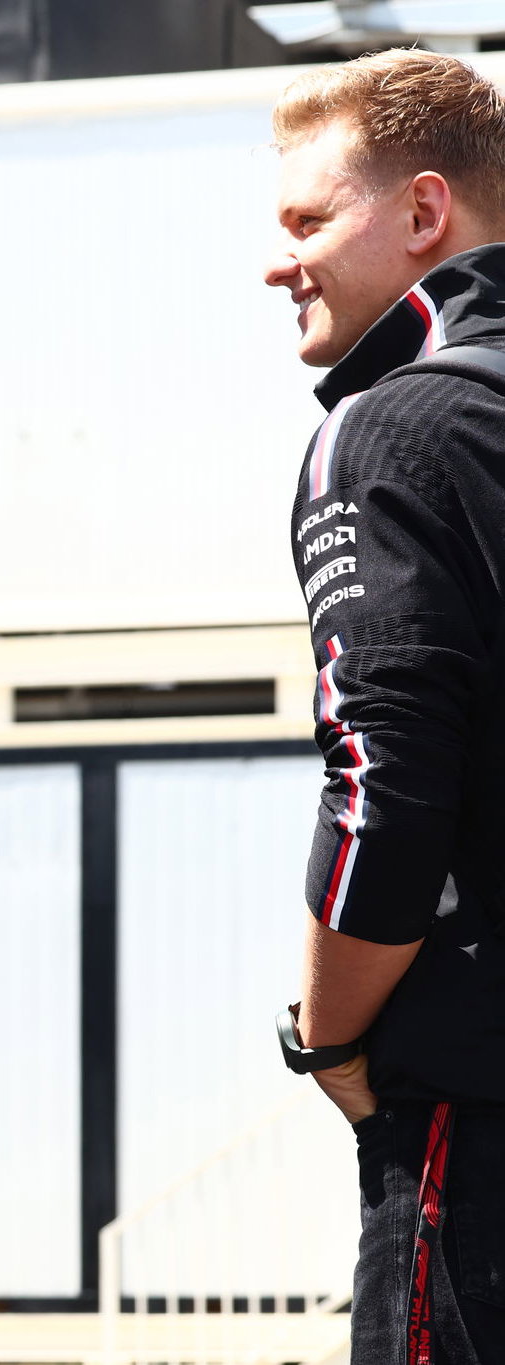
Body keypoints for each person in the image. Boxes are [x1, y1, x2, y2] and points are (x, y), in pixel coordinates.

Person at [265, 47, 505, 1364]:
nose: (274, 263)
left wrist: (328, 1041)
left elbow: (383, 790)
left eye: (307, 221)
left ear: (424, 215)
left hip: (474, 1131)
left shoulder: (390, 428)